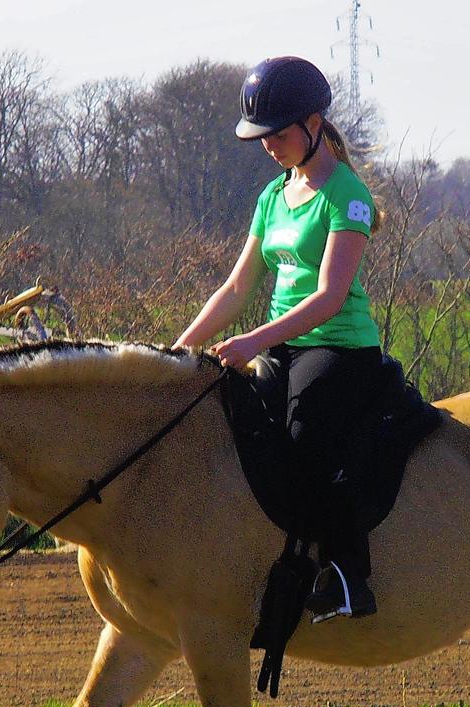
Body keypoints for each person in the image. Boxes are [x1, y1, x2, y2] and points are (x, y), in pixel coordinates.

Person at [174, 55, 383, 623]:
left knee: (304, 437)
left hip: (338, 346)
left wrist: (249, 343)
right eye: (261, 138)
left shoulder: (348, 196)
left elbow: (329, 298)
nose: (269, 146)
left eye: (279, 135)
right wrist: (178, 351)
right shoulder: (272, 196)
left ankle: (347, 576)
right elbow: (237, 286)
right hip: (280, 344)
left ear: (315, 124)